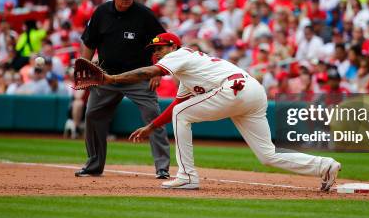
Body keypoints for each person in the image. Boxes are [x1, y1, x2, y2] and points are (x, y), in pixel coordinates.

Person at [105, 32, 341, 191]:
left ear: (173, 46)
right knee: (267, 155)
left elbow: (150, 73)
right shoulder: (187, 72)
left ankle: (187, 177)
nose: (156, 52)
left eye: (160, 48)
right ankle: (324, 166)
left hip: (235, 89)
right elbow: (177, 106)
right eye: (153, 49)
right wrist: (152, 126)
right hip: (253, 92)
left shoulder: (180, 55)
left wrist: (112, 78)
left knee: (182, 115)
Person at [76, 0, 171, 178]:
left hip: (138, 77)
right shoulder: (102, 12)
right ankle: (94, 165)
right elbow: (89, 42)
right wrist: (85, 66)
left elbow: (162, 44)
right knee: (93, 115)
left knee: (154, 116)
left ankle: (162, 168)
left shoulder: (144, 15)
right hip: (107, 76)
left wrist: (159, 70)